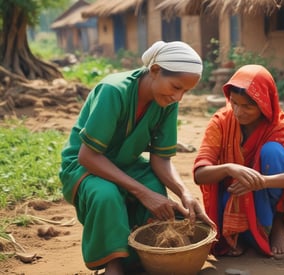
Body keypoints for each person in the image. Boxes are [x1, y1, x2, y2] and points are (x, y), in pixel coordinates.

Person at [59, 40, 214, 275]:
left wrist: (184, 194)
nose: (179, 97)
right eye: (176, 87)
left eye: (185, 91)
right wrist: (141, 193)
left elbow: (161, 160)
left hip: (127, 164)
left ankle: (142, 256)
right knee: (106, 195)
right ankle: (114, 264)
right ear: (155, 71)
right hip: (85, 166)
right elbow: (87, 156)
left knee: (154, 184)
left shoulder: (167, 101)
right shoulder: (114, 91)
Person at [193, 64, 284, 260]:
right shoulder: (221, 122)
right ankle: (237, 234)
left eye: (248, 106)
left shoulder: (280, 125)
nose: (239, 112)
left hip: (268, 194)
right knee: (230, 206)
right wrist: (229, 169)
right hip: (232, 197)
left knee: (273, 152)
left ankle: (277, 224)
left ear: (265, 104)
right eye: (234, 103)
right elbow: (200, 174)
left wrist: (262, 181)